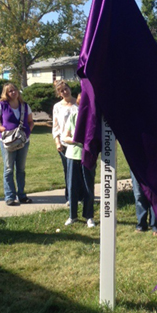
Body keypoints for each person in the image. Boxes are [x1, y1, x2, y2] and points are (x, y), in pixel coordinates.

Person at [0, 83, 34, 206]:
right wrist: (4, 131)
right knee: (9, 169)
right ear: (6, 93)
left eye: (15, 90)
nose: (13, 92)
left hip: (23, 141)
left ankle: (22, 195)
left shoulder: (25, 106)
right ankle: (10, 196)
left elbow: (31, 121)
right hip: (7, 142)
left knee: (21, 169)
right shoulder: (1, 105)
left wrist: (28, 132)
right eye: (10, 91)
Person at [62, 94, 96, 228]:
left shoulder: (94, 118)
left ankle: (89, 216)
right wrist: (77, 140)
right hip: (72, 155)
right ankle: (72, 216)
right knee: (72, 186)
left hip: (88, 156)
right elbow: (65, 137)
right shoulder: (74, 116)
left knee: (88, 187)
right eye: (81, 104)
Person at [52, 80, 77, 204]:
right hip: (64, 143)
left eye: (66, 88)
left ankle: (82, 196)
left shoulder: (78, 103)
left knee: (80, 171)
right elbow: (55, 126)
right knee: (68, 171)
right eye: (62, 91)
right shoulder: (57, 107)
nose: (65, 92)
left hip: (78, 142)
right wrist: (57, 142)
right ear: (59, 94)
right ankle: (70, 197)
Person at [130, 169, 157, 236]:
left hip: (152, 164)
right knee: (139, 195)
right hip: (136, 165)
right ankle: (141, 225)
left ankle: (155, 226)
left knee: (153, 195)